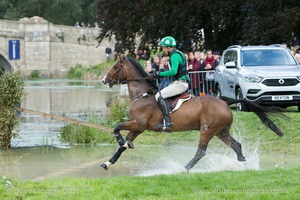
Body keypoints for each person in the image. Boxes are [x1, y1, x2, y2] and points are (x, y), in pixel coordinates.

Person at [152, 36, 190, 131]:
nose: (163, 49)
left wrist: (160, 74)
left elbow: (173, 71)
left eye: (164, 47)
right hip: (179, 82)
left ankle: (167, 122)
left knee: (158, 96)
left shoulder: (174, 56)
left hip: (180, 84)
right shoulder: (178, 54)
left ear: (169, 47)